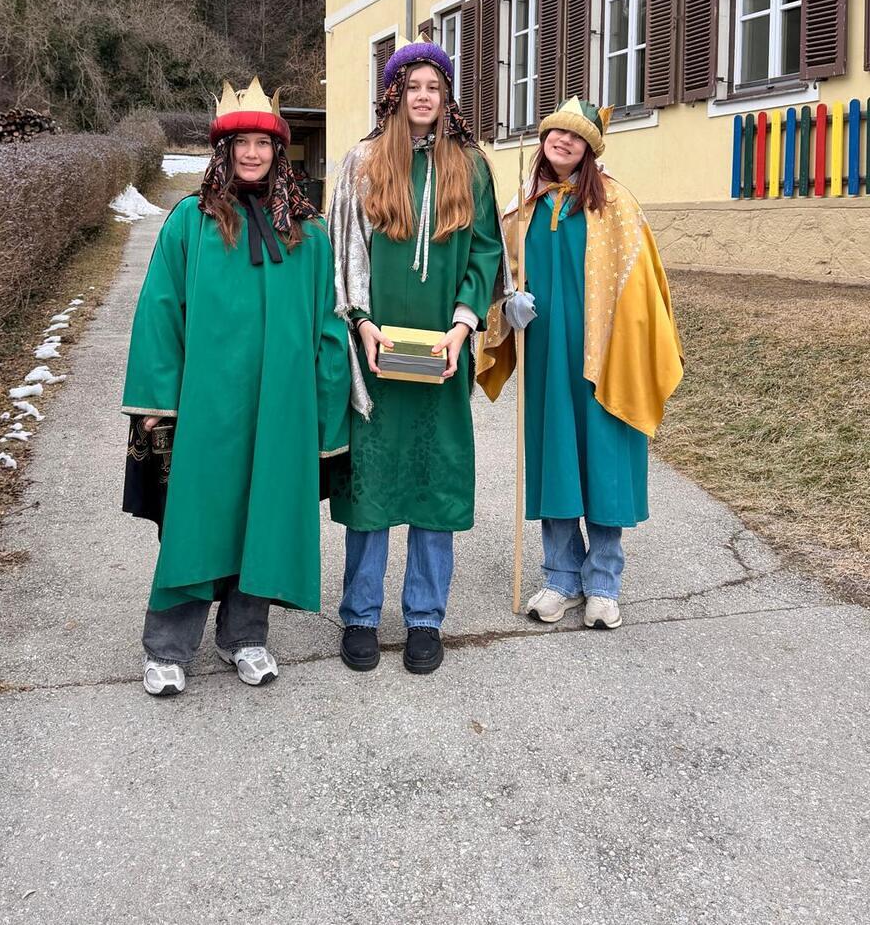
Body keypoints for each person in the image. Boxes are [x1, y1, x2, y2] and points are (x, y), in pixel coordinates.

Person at [121, 78, 351, 696]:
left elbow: (327, 325)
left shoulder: (309, 233)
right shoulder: (190, 224)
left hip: (280, 407)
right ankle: (168, 646)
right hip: (209, 407)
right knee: (198, 518)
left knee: (265, 515)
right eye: (241, 143)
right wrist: (156, 400)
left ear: (278, 152)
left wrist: (328, 408)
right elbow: (160, 310)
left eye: (263, 144)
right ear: (224, 151)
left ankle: (245, 636)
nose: (252, 153)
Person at [328, 41, 508, 675]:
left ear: (447, 95)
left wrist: (462, 327)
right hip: (376, 352)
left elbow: (485, 251)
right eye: (413, 87)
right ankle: (360, 615)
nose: (424, 96)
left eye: (434, 86)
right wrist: (362, 324)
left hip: (441, 351)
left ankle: (426, 617)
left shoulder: (471, 166)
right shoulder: (363, 162)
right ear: (395, 95)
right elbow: (344, 250)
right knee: (373, 482)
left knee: (436, 481)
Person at [477, 98, 683, 629]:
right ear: (544, 140)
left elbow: (642, 285)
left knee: (604, 462)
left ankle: (604, 583)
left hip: (604, 355)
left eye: (576, 137)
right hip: (547, 356)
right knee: (556, 461)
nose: (563, 142)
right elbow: (501, 278)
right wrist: (507, 306)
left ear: (590, 149)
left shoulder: (615, 204)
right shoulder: (522, 209)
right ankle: (561, 577)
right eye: (556, 133)